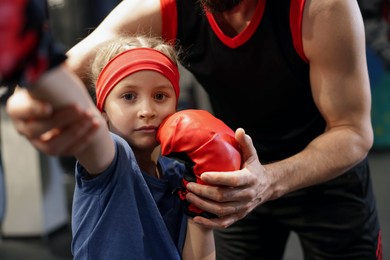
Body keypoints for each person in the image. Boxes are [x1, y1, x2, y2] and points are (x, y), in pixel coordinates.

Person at [5, 0, 383, 259]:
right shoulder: (166, 6)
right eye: (131, 98)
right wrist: (26, 92)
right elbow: (69, 70)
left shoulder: (320, 7)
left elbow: (352, 130)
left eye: (159, 96)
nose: (146, 111)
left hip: (324, 176)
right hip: (224, 175)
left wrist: (267, 180)